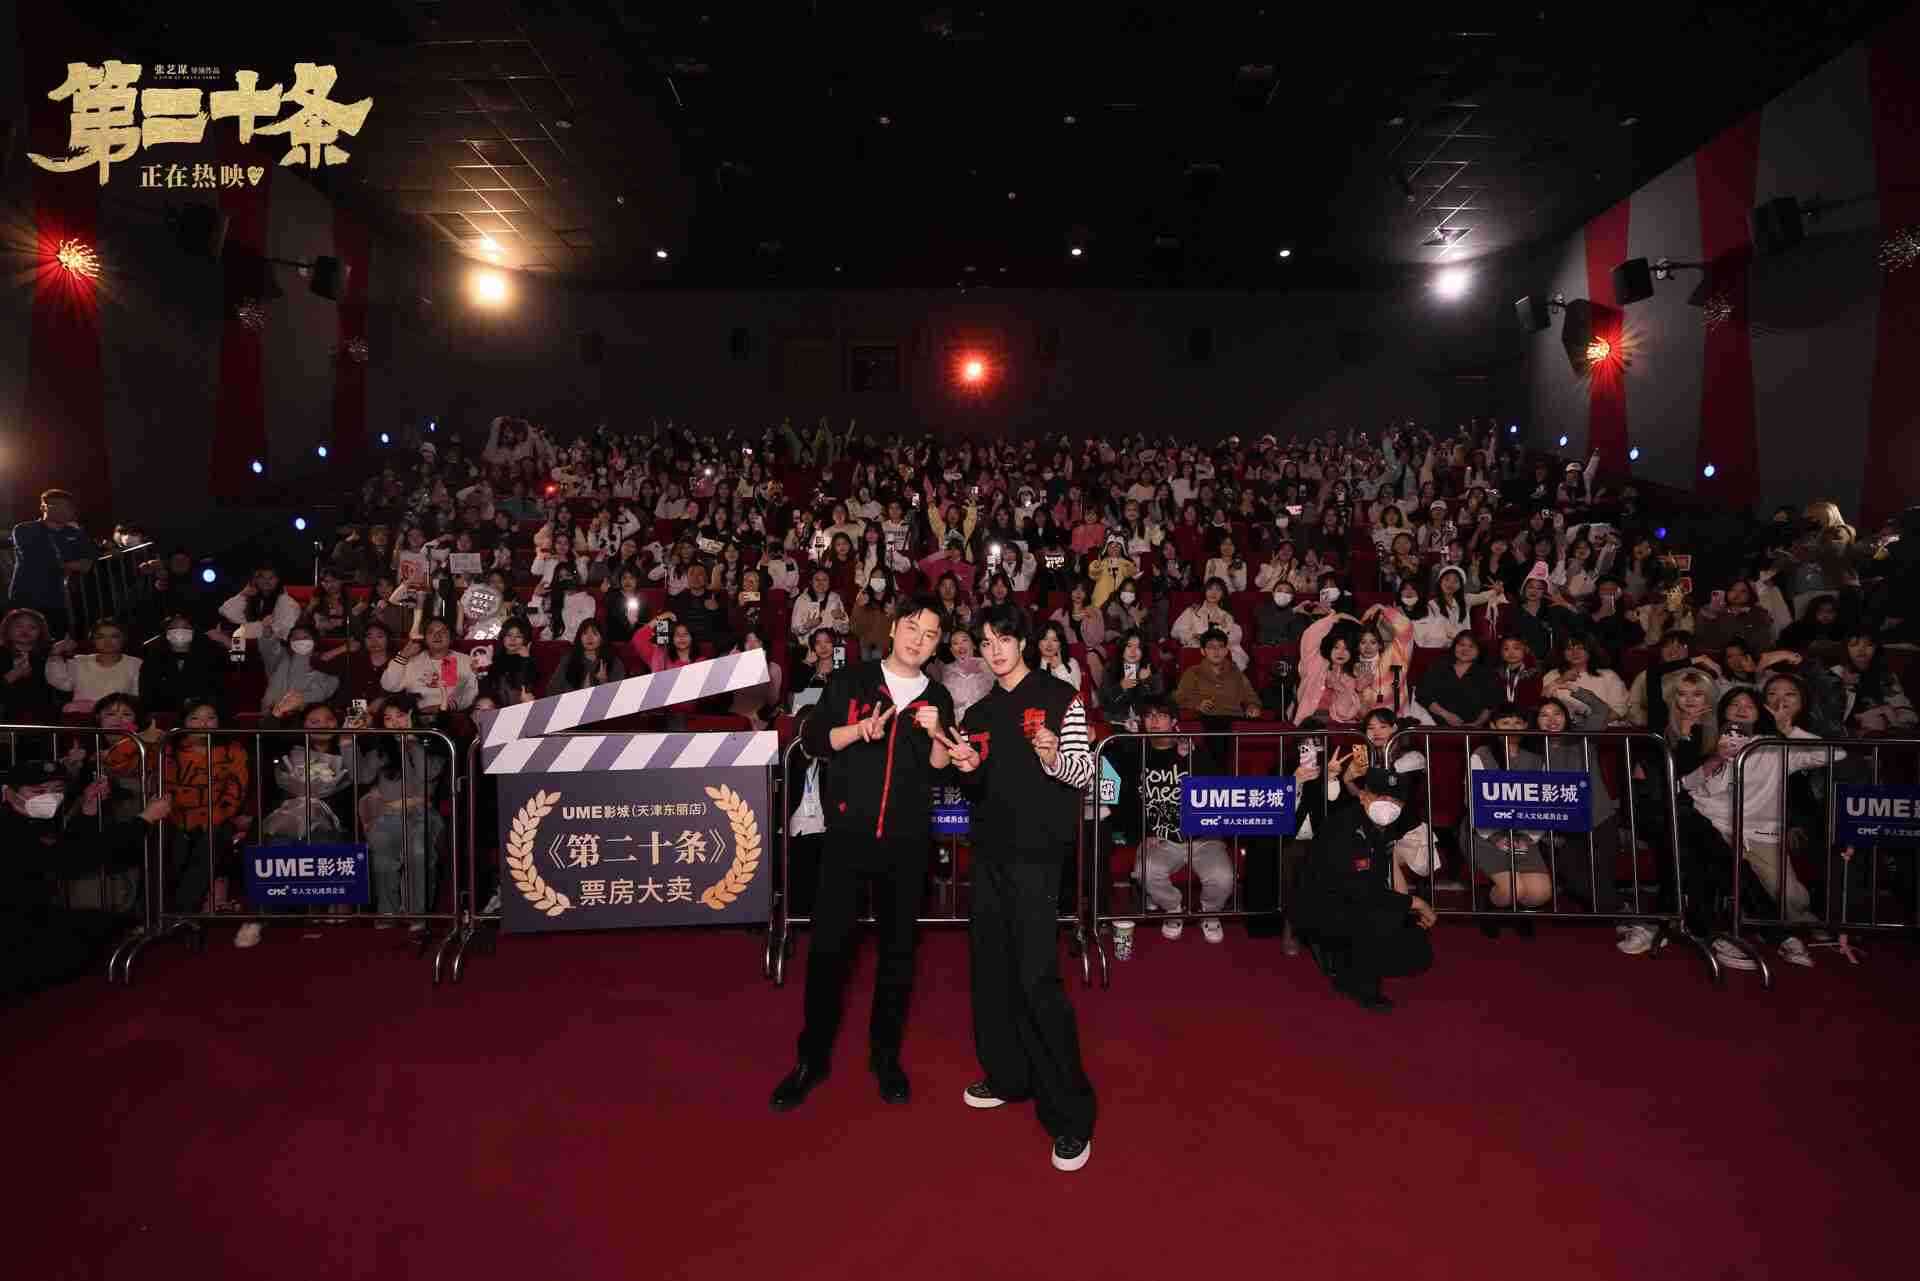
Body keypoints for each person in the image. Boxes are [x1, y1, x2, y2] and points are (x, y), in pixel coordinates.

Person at [771, 594, 959, 1113]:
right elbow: (813, 740)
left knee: (898, 954)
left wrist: (939, 737)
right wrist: (859, 730)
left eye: (931, 635)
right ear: (894, 628)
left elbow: (939, 769)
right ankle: (811, 1059)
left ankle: (886, 1057)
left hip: (907, 842)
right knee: (829, 951)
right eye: (913, 628)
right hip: (847, 838)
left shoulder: (938, 696)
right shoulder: (852, 681)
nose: (919, 641)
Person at [943, 602, 1098, 1173]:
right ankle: (1008, 1076)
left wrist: (1055, 757)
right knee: (992, 971)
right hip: (988, 855)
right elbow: (977, 782)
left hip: (1037, 858)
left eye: (1004, 639)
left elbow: (1085, 773)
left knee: (1037, 978)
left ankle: (1071, 1115)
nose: (995, 651)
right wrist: (965, 766)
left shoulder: (1062, 698)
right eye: (986, 642)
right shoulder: (980, 711)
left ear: (1023, 642)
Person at [1, 757, 170, 1000]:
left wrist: (88, 809)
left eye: (56, 790)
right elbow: (74, 857)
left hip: (29, 914)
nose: (48, 797)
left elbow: (67, 845)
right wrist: (143, 820)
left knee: (104, 926)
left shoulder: (29, 818)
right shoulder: (9, 827)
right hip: (13, 925)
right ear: (8, 793)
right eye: (37, 791)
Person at [1289, 746, 1436, 1012]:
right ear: (1364, 796)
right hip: (1324, 910)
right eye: (1380, 796)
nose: (1388, 805)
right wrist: (1415, 903)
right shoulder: (1346, 827)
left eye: (1395, 800)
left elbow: (1380, 879)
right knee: (1373, 919)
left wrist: (1405, 906)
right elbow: (1361, 892)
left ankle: (1345, 957)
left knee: (1418, 950)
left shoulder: (1383, 828)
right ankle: (1358, 983)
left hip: (1355, 900)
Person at [1134, 698, 1232, 942]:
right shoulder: (1134, 752)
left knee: (1223, 877)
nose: (1155, 721)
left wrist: (1192, 757)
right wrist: (1144, 832)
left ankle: (1210, 911)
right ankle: (1173, 908)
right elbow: (1128, 800)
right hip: (1163, 838)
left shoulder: (1192, 748)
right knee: (1146, 870)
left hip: (1204, 836)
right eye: (1149, 715)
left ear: (1174, 721)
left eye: (1161, 715)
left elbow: (1218, 788)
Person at [355, 693, 447, 932]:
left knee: (418, 852)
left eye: (401, 716)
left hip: (423, 813)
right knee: (381, 855)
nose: (395, 722)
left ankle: (419, 914)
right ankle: (387, 912)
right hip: (389, 815)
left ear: (412, 716)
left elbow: (427, 773)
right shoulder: (382, 750)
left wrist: (412, 741)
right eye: (388, 718)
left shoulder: (434, 741)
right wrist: (346, 741)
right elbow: (361, 776)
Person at [9, 489, 95, 639]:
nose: (63, 510)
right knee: (25, 641)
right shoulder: (25, 529)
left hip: (61, 599)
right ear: (43, 507)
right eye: (57, 505)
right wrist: (71, 563)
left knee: (59, 641)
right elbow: (37, 558)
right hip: (28, 595)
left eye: (67, 506)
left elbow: (89, 557)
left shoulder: (75, 533)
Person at [379, 618, 479, 714]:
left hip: (453, 715)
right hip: (418, 716)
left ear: (451, 636)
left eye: (442, 631)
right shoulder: (412, 661)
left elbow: (472, 691)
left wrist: (447, 706)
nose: (437, 635)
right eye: (431, 632)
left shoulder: (466, 660)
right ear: (424, 638)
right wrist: (403, 655)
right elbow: (389, 686)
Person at [258, 623, 342, 726]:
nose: (301, 641)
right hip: (271, 716)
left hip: (304, 720)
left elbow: (325, 690)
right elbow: (268, 649)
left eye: (305, 637)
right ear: (290, 642)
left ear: (314, 641)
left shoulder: (326, 664)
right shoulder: (280, 659)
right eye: (296, 638)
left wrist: (301, 698)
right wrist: (266, 634)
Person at [1417, 630, 1498, 727]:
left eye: (1471, 646)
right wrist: (1446, 715)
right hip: (1435, 727)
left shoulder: (1488, 674)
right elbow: (1423, 695)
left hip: (1475, 730)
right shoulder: (1438, 666)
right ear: (1454, 646)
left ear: (1479, 650)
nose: (1465, 649)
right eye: (1461, 645)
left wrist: (1475, 725)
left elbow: (1490, 705)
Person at [0, 607, 60, 725]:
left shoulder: (49, 653)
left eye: (32, 627)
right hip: (6, 717)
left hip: (45, 716)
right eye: (19, 626)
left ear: (41, 632)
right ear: (7, 629)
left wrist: (57, 655)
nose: (25, 631)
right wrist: (11, 676)